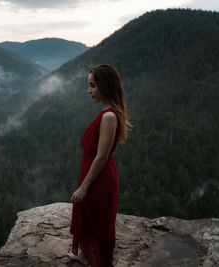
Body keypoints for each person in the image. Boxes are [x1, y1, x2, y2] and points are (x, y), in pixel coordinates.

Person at [68, 64, 131, 266]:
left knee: (97, 221)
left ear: (105, 85)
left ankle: (96, 260)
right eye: (89, 85)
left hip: (100, 178)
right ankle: (87, 255)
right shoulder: (109, 113)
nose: (89, 91)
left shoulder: (109, 116)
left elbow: (102, 157)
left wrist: (84, 187)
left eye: (93, 85)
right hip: (97, 174)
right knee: (90, 217)